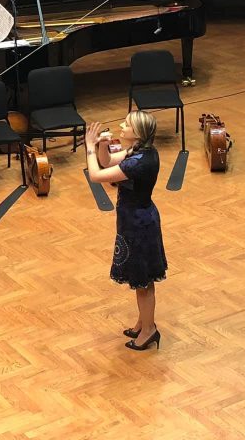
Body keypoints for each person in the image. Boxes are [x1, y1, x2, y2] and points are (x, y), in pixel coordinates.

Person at [84, 112, 168, 352]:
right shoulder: (141, 151)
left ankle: (149, 330)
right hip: (136, 220)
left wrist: (89, 148)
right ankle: (143, 323)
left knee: (143, 282)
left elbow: (96, 175)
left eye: (127, 124)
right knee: (141, 280)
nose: (122, 125)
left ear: (137, 132)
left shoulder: (138, 162)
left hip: (139, 225)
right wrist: (102, 146)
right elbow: (108, 161)